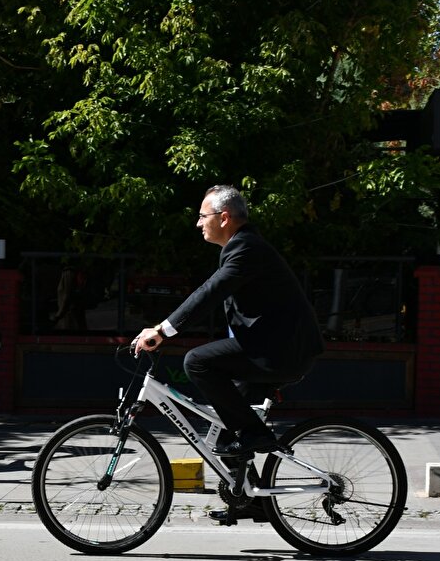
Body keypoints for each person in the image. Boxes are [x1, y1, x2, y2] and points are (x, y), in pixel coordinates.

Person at [132, 184, 324, 459]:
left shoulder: (246, 248)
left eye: (202, 216)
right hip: (274, 347)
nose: (198, 223)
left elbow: (210, 292)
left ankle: (256, 435)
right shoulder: (242, 246)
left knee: (197, 362)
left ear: (223, 218)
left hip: (281, 352)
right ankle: (249, 499)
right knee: (226, 435)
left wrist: (162, 330)